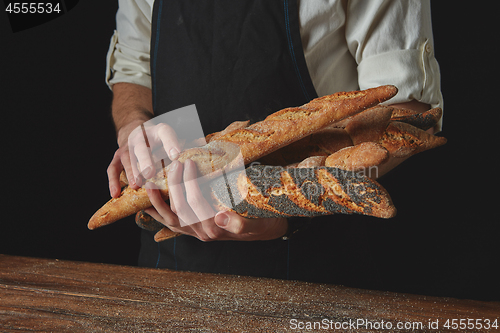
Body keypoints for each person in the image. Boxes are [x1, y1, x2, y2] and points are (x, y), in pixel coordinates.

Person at [104, 0, 443, 286]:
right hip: (170, 263)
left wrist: (286, 212)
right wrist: (133, 126)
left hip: (317, 268)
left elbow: (405, 112)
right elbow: (133, 70)